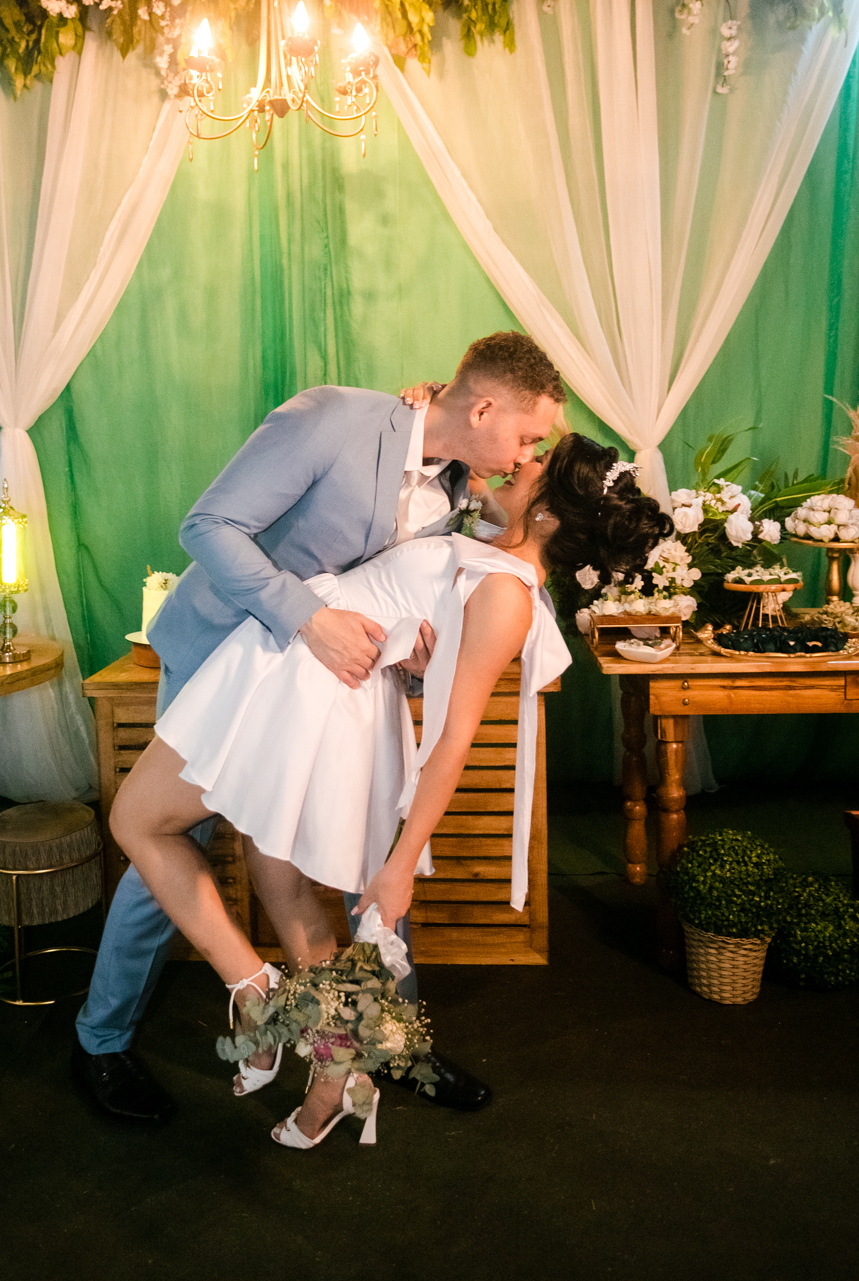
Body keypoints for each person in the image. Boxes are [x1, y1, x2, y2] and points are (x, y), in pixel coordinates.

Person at [109, 434, 671, 1148]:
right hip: (303, 665)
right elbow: (445, 496)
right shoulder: (491, 547)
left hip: (310, 687)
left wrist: (401, 862)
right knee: (273, 870)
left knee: (138, 820)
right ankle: (337, 1075)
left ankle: (256, 990)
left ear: (550, 515)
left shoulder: (508, 597)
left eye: (537, 463)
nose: (518, 460)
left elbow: (454, 739)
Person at [71, 331, 566, 1121]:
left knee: (375, 858)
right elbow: (208, 526)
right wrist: (311, 619)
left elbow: (396, 594)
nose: (527, 454)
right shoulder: (331, 418)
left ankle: (388, 1040)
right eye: (528, 435)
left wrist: (411, 657)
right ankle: (102, 1040)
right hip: (224, 658)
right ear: (482, 409)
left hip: (332, 690)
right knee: (168, 838)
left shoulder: (460, 490)